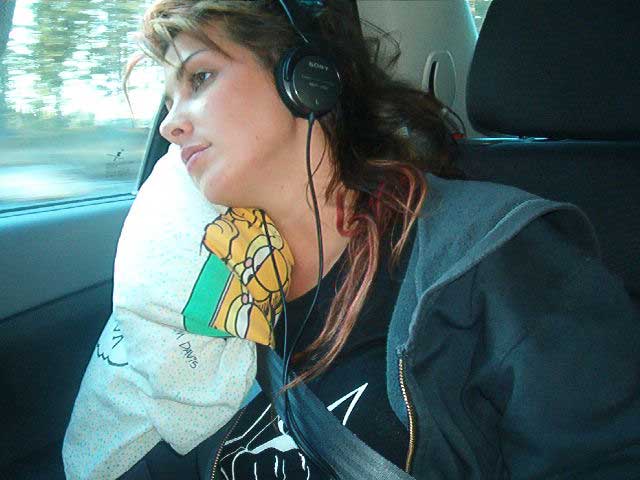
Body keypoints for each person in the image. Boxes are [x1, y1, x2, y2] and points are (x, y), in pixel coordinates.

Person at [119, 0, 640, 478]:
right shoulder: (210, 282)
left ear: (305, 78)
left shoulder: (500, 261)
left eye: (200, 78)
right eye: (168, 101)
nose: (170, 125)